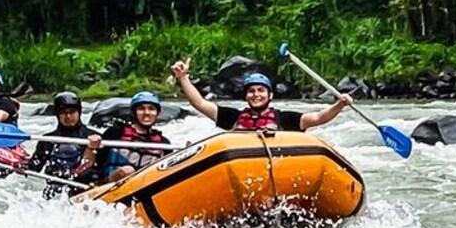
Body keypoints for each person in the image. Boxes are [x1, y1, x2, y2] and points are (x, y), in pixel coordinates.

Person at [169, 61, 351, 133]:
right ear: (246, 95)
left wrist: (339, 105)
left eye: (260, 90)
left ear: (270, 95)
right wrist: (183, 78)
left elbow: (318, 118)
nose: (256, 95)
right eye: (252, 91)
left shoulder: (284, 118)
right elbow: (199, 103)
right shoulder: (232, 117)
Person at [85, 91, 172, 182]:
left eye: (151, 109)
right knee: (127, 171)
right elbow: (93, 162)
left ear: (157, 113)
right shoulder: (116, 132)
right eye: (141, 109)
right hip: (110, 185)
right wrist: (91, 148)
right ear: (134, 112)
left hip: (146, 185)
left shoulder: (163, 143)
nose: (147, 113)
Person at [30, 91, 95, 197]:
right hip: (56, 189)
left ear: (79, 112)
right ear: (57, 115)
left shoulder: (93, 137)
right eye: (63, 112)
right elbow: (35, 166)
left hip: (86, 188)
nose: (68, 116)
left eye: (72, 112)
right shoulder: (48, 139)